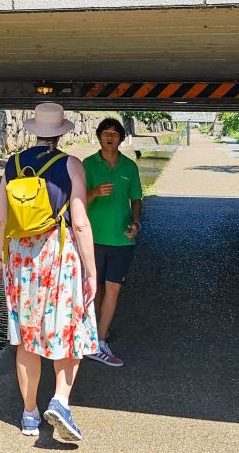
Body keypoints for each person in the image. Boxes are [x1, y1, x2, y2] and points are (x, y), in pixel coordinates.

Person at [0, 102, 99, 442]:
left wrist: (3, 258)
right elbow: (81, 223)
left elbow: (1, 219)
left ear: (35, 131)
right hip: (59, 253)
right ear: (61, 133)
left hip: (22, 259)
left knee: (27, 339)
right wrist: (91, 271)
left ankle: (28, 414)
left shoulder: (12, 164)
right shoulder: (71, 165)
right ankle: (60, 400)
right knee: (69, 329)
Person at [82, 117, 142, 368]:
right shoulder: (87, 165)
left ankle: (100, 339)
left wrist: (136, 223)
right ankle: (91, 333)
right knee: (94, 289)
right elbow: (75, 202)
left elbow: (136, 199)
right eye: (106, 133)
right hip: (92, 239)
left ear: (121, 138)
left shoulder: (129, 167)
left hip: (121, 240)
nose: (110, 137)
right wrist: (94, 192)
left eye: (115, 134)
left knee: (113, 288)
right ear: (99, 137)